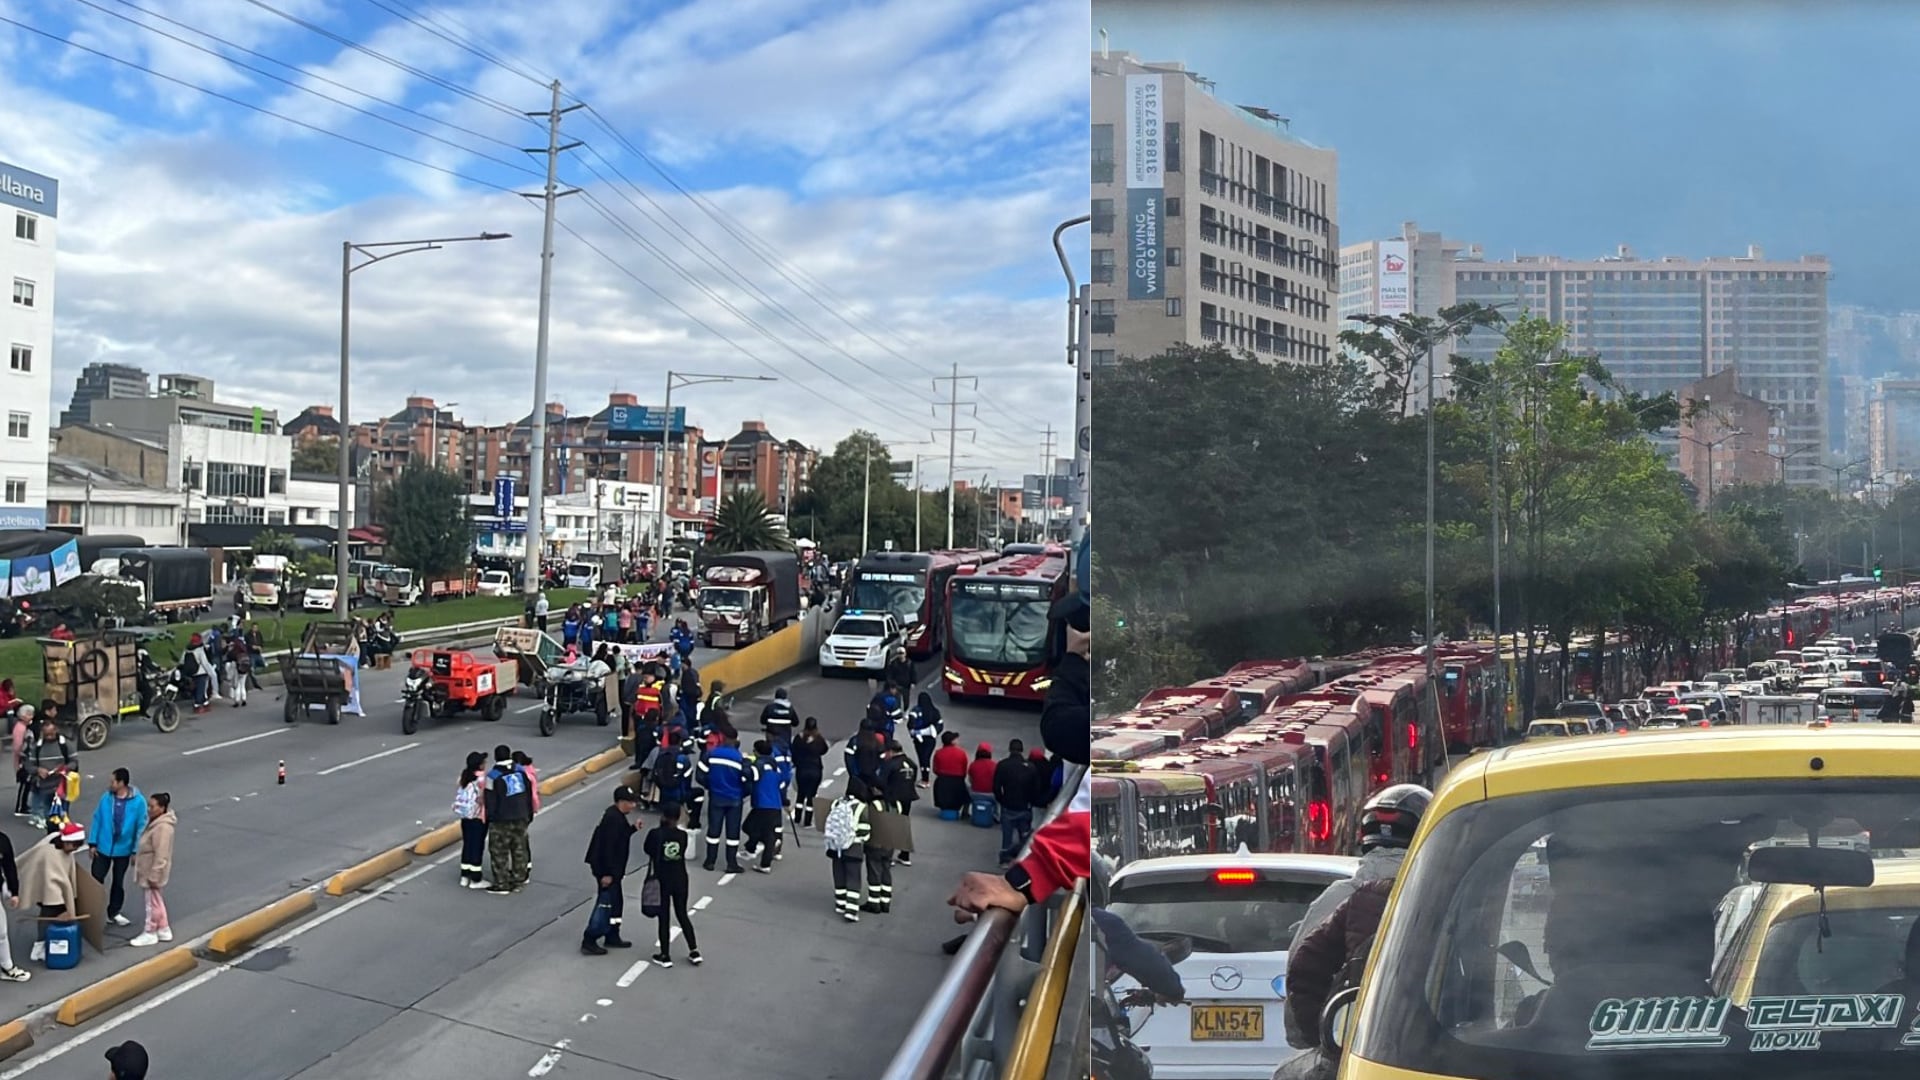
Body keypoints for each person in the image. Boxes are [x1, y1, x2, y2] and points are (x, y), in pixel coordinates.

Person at [1283, 784, 1432, 1051]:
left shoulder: (1337, 896)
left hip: (1349, 1046)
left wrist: (1320, 1040)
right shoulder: (1437, 894)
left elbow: (1301, 964)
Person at [582, 785, 640, 955]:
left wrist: (633, 829)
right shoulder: (613, 819)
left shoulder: (618, 817)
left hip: (614, 872)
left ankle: (612, 934)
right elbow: (607, 849)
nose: (633, 806)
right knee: (605, 905)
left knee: (616, 904)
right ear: (621, 802)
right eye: (630, 802)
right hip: (607, 872)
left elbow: (620, 838)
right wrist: (607, 874)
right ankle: (590, 939)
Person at [87, 767, 148, 927]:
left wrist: (135, 850)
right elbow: (97, 819)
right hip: (103, 847)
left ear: (121, 783)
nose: (110, 784)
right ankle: (92, 910)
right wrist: (93, 843)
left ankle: (113, 912)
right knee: (96, 878)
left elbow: (140, 827)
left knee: (118, 882)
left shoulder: (138, 802)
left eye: (113, 781)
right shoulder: (106, 798)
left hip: (123, 849)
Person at [642, 801, 699, 967]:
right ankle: (694, 950)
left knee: (664, 917)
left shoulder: (655, 834)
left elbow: (648, 850)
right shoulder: (683, 836)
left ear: (663, 815)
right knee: (682, 914)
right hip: (681, 878)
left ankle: (665, 954)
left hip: (662, 880)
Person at [18, 821, 85, 963]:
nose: (74, 849)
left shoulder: (54, 842)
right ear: (66, 842)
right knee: (49, 915)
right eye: (74, 846)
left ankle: (42, 944)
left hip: (48, 890)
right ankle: (39, 947)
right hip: (51, 892)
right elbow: (62, 883)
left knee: (48, 915)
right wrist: (69, 910)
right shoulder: (53, 855)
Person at [483, 746, 535, 894]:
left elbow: (490, 799)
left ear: (496, 757)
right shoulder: (520, 771)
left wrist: (491, 818)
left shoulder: (492, 776)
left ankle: (501, 883)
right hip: (521, 815)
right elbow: (528, 792)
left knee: (499, 851)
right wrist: (529, 813)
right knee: (519, 848)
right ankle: (519, 878)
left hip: (502, 819)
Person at [127, 792, 175, 947]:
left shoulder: (162, 828)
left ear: (162, 808)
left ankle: (150, 932)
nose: (149, 809)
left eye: (152, 806)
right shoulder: (157, 823)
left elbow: (161, 854)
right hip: (150, 869)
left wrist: (154, 875)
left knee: (151, 903)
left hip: (152, 871)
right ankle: (163, 928)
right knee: (156, 900)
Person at [696, 731, 748, 873]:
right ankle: (731, 863)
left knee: (713, 831)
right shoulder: (740, 758)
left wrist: (711, 786)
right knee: (732, 834)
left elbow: (699, 775)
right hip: (734, 800)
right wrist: (742, 793)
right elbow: (748, 780)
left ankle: (710, 861)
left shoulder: (711, 754)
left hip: (716, 798)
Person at [823, 781, 873, 923]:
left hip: (836, 847)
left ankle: (840, 903)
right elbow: (864, 831)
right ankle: (851, 910)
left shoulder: (836, 803)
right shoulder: (861, 807)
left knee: (839, 874)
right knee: (853, 877)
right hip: (853, 847)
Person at [742, 739, 786, 873]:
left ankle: (765, 863)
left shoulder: (759, 765)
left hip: (763, 804)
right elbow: (782, 784)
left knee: (751, 828)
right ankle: (753, 848)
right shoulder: (775, 766)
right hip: (775, 804)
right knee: (755, 827)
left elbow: (749, 775)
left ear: (757, 752)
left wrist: (746, 761)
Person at [993, 739, 1035, 863]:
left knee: (1007, 835)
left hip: (1008, 805)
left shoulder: (1002, 765)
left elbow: (996, 786)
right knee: (1025, 836)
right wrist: (1030, 801)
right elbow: (1035, 787)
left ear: (1010, 749)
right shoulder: (1030, 767)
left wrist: (1001, 800)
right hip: (1024, 806)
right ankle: (1023, 861)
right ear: (1022, 750)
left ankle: (1005, 859)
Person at [453, 751, 490, 889]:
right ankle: (476, 879)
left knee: (467, 844)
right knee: (477, 846)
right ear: (480, 765)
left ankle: (464, 875)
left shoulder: (464, 776)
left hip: (465, 816)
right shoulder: (482, 779)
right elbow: (484, 797)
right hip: (477, 817)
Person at [27, 719, 72, 830]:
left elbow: (74, 762)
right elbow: (29, 766)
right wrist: (38, 770)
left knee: (63, 816)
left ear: (56, 730)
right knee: (49, 817)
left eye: (52, 733)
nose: (49, 737)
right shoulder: (36, 747)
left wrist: (64, 768)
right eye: (47, 734)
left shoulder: (65, 744)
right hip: (44, 787)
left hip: (62, 787)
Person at [880, 740, 918, 867]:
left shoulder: (890, 765)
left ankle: (888, 856)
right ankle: (905, 854)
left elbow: (882, 782)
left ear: (890, 751)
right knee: (903, 824)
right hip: (908, 797)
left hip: (893, 798)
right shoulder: (911, 763)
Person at [860, 780, 894, 914]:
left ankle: (874, 903)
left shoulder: (874, 805)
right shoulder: (894, 803)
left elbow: (869, 821)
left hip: (876, 843)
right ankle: (885, 901)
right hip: (890, 842)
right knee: (886, 870)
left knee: (874, 871)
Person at [790, 717, 828, 828]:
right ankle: (807, 820)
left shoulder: (799, 738)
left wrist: (797, 762)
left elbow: (793, 751)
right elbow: (824, 750)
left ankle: (797, 818)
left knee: (800, 795)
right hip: (815, 770)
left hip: (802, 769)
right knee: (811, 796)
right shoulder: (818, 739)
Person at [0, 830, 26, 981]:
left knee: (1, 932)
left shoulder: (2, 840)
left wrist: (13, 891)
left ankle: (7, 966)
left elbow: (9, 866)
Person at [907, 692, 944, 785]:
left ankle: (924, 778)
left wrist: (914, 732)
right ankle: (926, 778)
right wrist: (935, 733)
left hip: (919, 739)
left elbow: (910, 723)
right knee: (927, 757)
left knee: (921, 757)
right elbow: (940, 724)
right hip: (930, 739)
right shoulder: (935, 711)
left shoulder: (916, 710)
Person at [931, 731, 970, 815]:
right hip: (957, 780)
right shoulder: (961, 753)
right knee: (966, 795)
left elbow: (935, 769)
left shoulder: (938, 753)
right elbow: (964, 769)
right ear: (952, 741)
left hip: (942, 780)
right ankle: (964, 812)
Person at [11, 702, 32, 817]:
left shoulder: (22, 727)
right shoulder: (20, 728)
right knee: (25, 784)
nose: (31, 717)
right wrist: (20, 761)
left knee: (26, 784)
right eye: (29, 714)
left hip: (22, 760)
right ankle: (20, 807)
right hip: (22, 761)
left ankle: (23, 805)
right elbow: (18, 747)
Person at [966, 741, 996, 805]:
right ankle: (995, 814)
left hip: (975, 794)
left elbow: (970, 780)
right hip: (991, 795)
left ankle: (965, 811)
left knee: (966, 788)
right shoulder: (994, 765)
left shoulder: (973, 765)